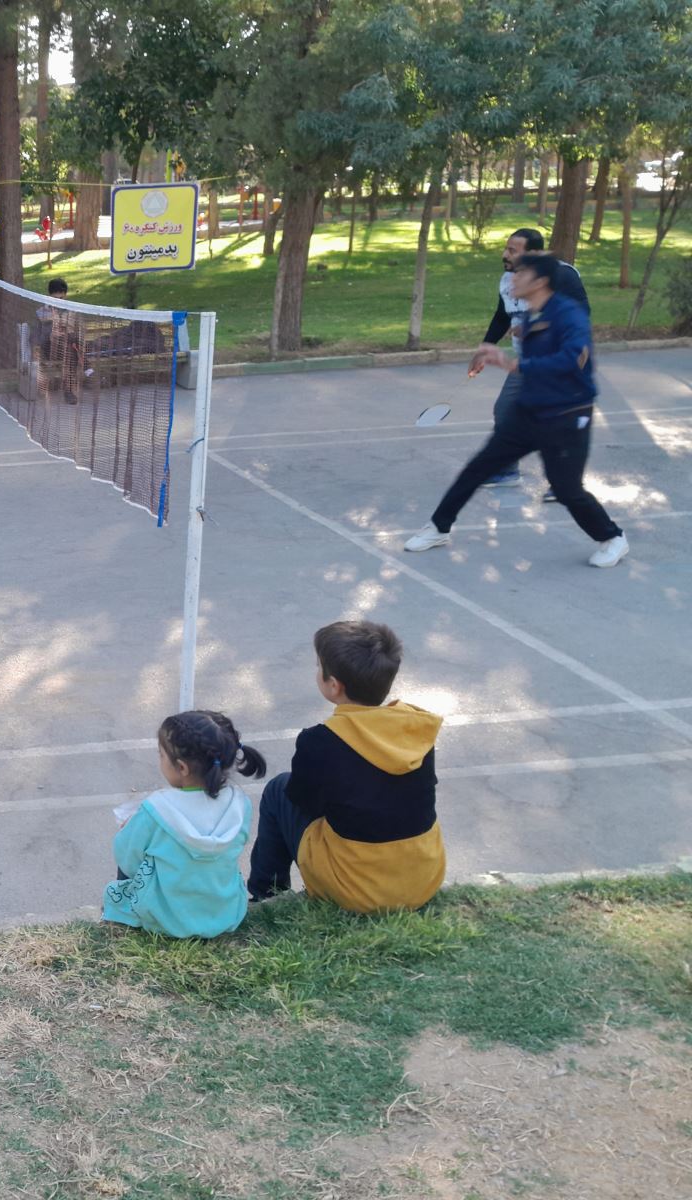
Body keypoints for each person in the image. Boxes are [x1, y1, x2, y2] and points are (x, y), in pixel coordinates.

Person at [404, 253, 628, 569]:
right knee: (478, 468)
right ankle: (439, 527)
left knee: (566, 489)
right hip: (529, 411)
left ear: (540, 282)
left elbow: (573, 359)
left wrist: (516, 364)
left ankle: (613, 537)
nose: (513, 279)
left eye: (521, 274)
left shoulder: (569, 314)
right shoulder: (531, 314)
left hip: (567, 414)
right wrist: (495, 350)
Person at [247, 621, 444, 913]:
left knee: (279, 789)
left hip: (356, 890)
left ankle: (265, 895)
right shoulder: (416, 728)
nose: (317, 671)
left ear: (334, 685)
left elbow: (305, 802)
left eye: (319, 666)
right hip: (422, 879)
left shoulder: (319, 741)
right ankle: (266, 894)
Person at [103, 710, 267, 938]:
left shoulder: (156, 809)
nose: (159, 760)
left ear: (182, 768)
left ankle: (127, 917)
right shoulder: (239, 804)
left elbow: (127, 859)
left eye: (161, 755)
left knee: (130, 841)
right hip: (225, 913)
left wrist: (129, 829)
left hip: (165, 919)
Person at [477, 229, 588, 495]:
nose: (505, 255)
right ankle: (507, 471)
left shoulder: (562, 276)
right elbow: (502, 316)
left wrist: (534, 327)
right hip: (527, 361)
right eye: (506, 248)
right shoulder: (509, 279)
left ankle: (565, 483)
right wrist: (485, 348)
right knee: (505, 409)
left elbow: (580, 317)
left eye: (512, 250)